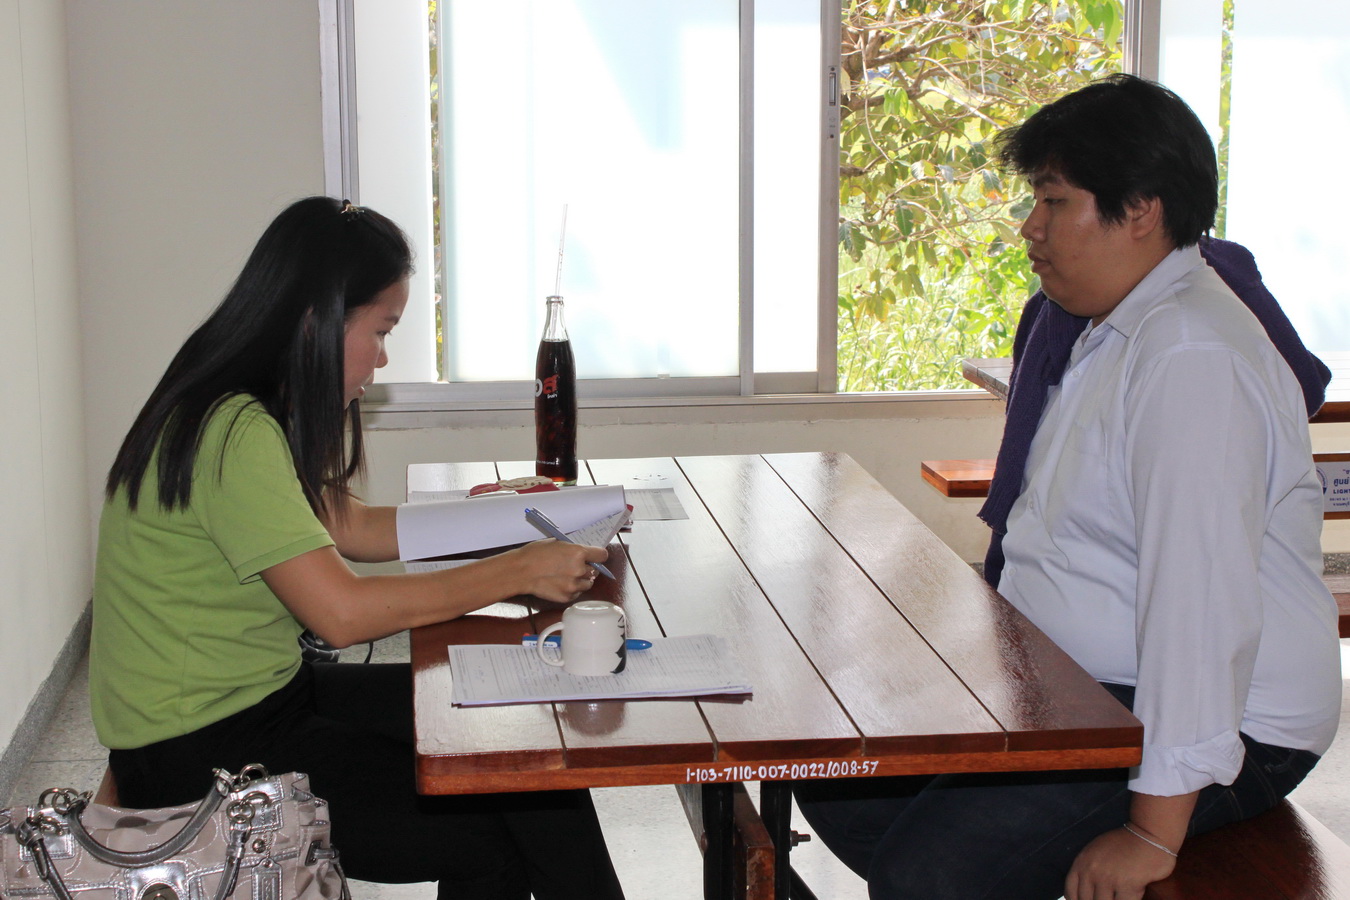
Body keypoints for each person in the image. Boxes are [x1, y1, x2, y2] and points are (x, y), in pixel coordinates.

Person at [794, 74, 1340, 900]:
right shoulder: (1114, 324)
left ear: (1141, 210)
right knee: (842, 782)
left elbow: (1198, 608)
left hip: (1230, 720)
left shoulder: (1190, 356)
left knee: (928, 874)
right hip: (1083, 687)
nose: (1030, 226)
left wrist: (1150, 832)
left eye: (1053, 201)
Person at [90, 196, 626, 900]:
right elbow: (340, 614)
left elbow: (353, 526)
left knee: (526, 748)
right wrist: (515, 570)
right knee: (494, 829)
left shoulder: (233, 405)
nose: (382, 357)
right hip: (204, 753)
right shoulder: (235, 431)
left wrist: (521, 522)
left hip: (254, 702)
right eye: (380, 330)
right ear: (318, 320)